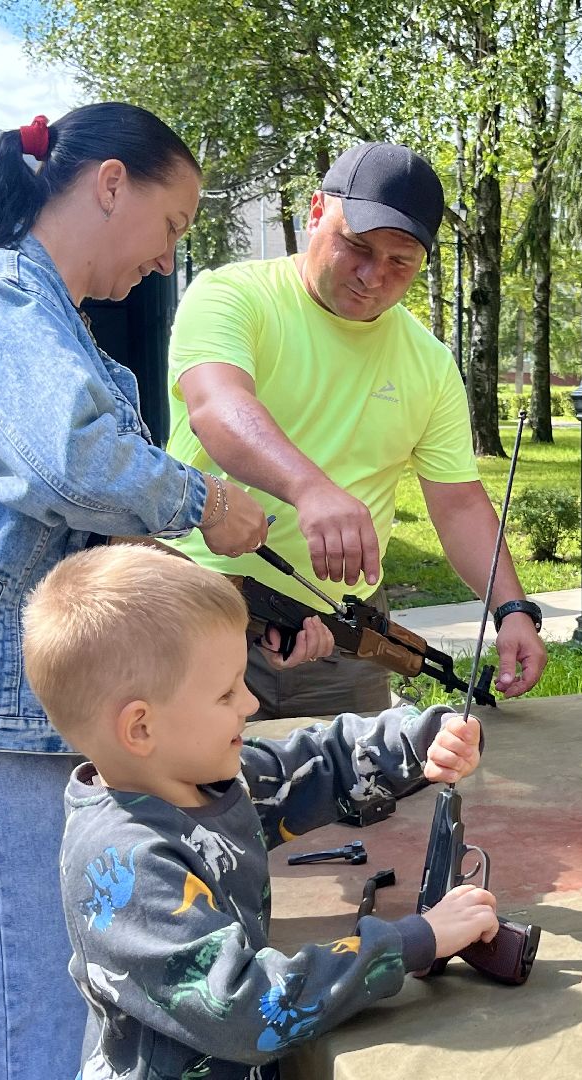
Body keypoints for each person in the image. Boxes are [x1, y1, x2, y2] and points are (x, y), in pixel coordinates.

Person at [0, 104, 313, 1080]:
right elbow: (65, 463)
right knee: (27, 1016)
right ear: (110, 182)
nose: (166, 261)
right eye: (172, 226)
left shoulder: (61, 330)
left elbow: (80, 516)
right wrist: (203, 498)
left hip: (36, 715)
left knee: (56, 1003)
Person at [25, 544, 501, 1078]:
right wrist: (416, 939)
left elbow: (323, 763)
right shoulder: (128, 866)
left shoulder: (206, 777)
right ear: (141, 728)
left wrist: (424, 740)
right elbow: (247, 1009)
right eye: (226, 693)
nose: (250, 704)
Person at [163, 141, 547, 720]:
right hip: (199, 614)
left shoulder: (429, 362)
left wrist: (511, 608)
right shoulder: (230, 295)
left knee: (368, 798)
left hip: (347, 634)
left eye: (402, 262)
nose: (373, 277)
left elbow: (460, 502)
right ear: (317, 210)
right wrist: (311, 489)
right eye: (357, 246)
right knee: (196, 805)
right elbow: (218, 407)